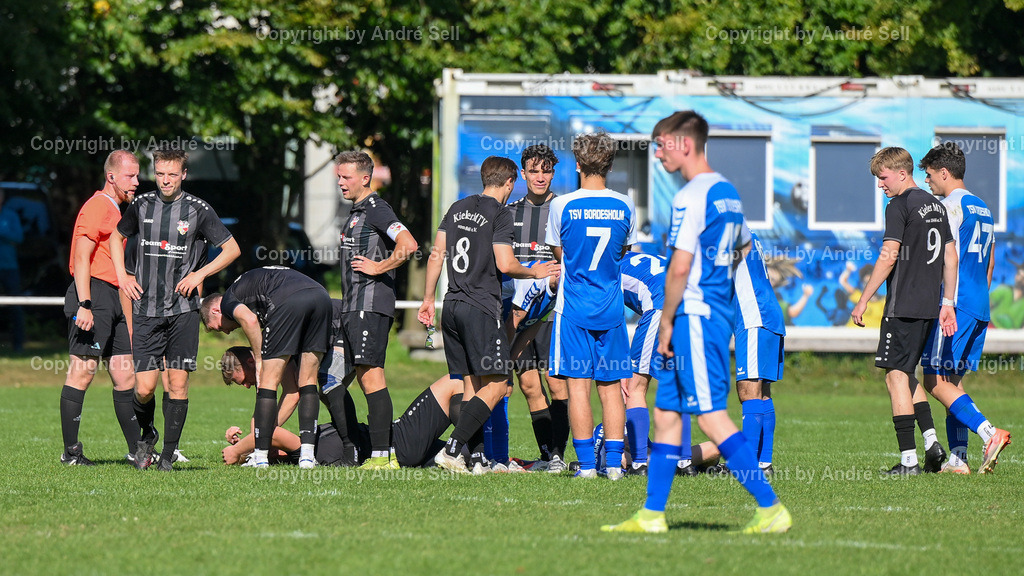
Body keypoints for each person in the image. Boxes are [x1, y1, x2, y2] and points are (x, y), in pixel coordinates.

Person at [603, 111, 789, 534]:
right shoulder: (728, 193)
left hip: (695, 318)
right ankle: (651, 514)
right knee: (668, 413)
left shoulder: (690, 195)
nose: (657, 154)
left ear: (685, 144)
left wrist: (667, 321)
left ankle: (770, 507)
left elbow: (680, 267)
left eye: (662, 144)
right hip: (708, 314)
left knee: (709, 415)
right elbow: (742, 248)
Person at [418, 156, 557, 475]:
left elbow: (437, 255)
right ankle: (453, 449)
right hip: (480, 309)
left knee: (472, 386)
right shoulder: (500, 213)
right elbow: (506, 264)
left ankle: (477, 458)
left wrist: (427, 299)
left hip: (450, 306)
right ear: (510, 182)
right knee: (498, 384)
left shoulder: (457, 207)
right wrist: (533, 272)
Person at [111, 147, 240, 471]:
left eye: (172, 174)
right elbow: (115, 237)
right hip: (146, 311)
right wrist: (122, 276)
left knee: (179, 384)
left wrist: (200, 274)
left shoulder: (198, 209)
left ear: (183, 174)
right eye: (160, 174)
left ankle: (167, 456)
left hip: (183, 311)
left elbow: (231, 248)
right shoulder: (141, 205)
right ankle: (148, 433)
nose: (166, 180)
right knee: (143, 389)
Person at [851, 146, 957, 476]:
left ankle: (908, 461)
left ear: (901, 173)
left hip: (902, 307)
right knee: (908, 374)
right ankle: (932, 445)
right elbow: (950, 258)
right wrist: (947, 302)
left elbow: (889, 254)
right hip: (927, 307)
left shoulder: (900, 204)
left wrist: (864, 298)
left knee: (894, 376)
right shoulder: (937, 206)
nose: (880, 185)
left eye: (882, 178)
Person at [917, 142, 1011, 473]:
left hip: (955, 304)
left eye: (929, 175)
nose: (927, 181)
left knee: (934, 380)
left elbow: (947, 256)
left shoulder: (947, 208)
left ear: (944, 173)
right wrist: (977, 298)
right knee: (953, 384)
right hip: (979, 303)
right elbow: (990, 261)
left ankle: (989, 433)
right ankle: (958, 459)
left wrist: (946, 301)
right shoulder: (982, 207)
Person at [546, 132, 635, 480]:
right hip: (611, 310)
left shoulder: (561, 205)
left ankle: (585, 467)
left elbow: (561, 255)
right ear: (610, 165)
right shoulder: (625, 205)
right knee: (611, 389)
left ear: (577, 163)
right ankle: (613, 465)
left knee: (578, 386)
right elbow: (622, 255)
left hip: (574, 309)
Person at [220, 346, 466, 469]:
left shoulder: (307, 444)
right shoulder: (304, 450)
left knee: (461, 456)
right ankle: (478, 447)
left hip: (403, 443)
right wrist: (241, 450)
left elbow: (267, 433)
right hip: (401, 441)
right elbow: (270, 433)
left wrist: (240, 448)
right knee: (455, 381)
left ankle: (480, 454)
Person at [335, 151, 419, 468]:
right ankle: (366, 449)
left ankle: (382, 455)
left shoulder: (376, 209)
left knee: (371, 377)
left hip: (370, 306)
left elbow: (408, 244)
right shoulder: (356, 211)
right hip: (353, 307)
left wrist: (379, 267)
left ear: (365, 178)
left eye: (346, 177)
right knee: (352, 376)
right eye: (338, 177)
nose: (341, 183)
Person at [58, 150, 142, 465]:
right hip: (92, 294)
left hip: (112, 297)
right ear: (111, 176)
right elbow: (81, 257)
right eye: (130, 176)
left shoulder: (116, 210)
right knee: (83, 372)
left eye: (136, 175)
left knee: (125, 376)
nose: (136, 181)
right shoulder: (97, 207)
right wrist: (84, 304)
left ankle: (139, 452)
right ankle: (71, 454)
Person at [201, 266, 331, 469]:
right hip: (321, 296)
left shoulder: (228, 301)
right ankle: (307, 456)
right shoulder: (254, 294)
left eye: (214, 326)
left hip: (288, 301)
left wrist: (260, 360)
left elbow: (250, 320)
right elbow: (292, 390)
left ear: (216, 311)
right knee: (308, 380)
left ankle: (259, 457)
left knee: (268, 380)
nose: (223, 332)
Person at [504, 144, 570, 473]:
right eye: (534, 170)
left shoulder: (565, 210)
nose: (540, 177)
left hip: (554, 312)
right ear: (524, 173)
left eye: (546, 171)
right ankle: (547, 456)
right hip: (518, 309)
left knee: (557, 382)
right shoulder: (510, 212)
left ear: (553, 174)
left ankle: (558, 454)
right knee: (529, 385)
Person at [734, 230, 786, 475]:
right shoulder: (747, 233)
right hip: (767, 314)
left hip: (754, 317)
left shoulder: (728, 231)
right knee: (762, 392)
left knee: (748, 390)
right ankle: (763, 463)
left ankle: (747, 466)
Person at [618, 252, 666, 476]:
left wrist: (620, 366)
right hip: (691, 310)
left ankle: (639, 463)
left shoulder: (605, 266)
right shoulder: (644, 256)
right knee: (676, 388)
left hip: (660, 308)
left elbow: (612, 320)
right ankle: (685, 462)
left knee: (634, 386)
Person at [0, 187, 24, 353]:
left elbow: (19, 237)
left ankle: (18, 345)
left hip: (9, 267)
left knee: (15, 305)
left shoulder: (10, 215)